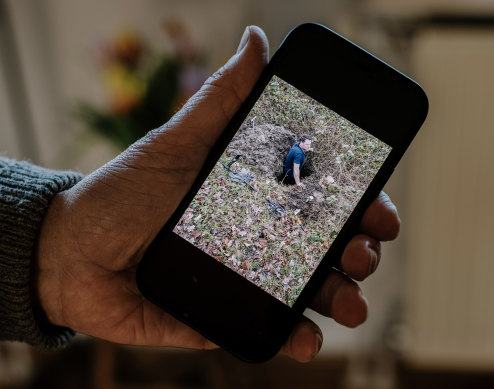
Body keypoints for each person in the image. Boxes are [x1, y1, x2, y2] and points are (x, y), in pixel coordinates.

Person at [0, 26, 400, 363]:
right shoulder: (296, 153)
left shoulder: (297, 148)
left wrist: (53, 252)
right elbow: (293, 169)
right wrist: (54, 257)